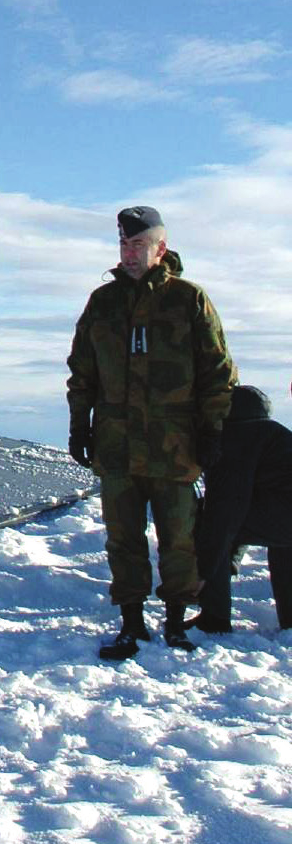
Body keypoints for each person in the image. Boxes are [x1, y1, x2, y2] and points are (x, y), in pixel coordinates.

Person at [66, 204, 237, 659]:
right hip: (116, 446)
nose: (129, 252)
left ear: (160, 248)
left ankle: (177, 622)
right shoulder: (103, 303)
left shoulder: (187, 300)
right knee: (122, 537)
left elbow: (217, 372)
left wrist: (212, 430)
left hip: (174, 447)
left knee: (178, 537)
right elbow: (82, 371)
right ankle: (132, 623)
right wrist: (79, 425)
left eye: (138, 244)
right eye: (123, 243)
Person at [194, 385, 292, 633]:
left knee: (210, 525)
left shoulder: (234, 439)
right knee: (283, 541)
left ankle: (214, 619)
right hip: (284, 516)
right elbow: (248, 502)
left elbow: (225, 510)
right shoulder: (274, 435)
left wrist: (204, 571)